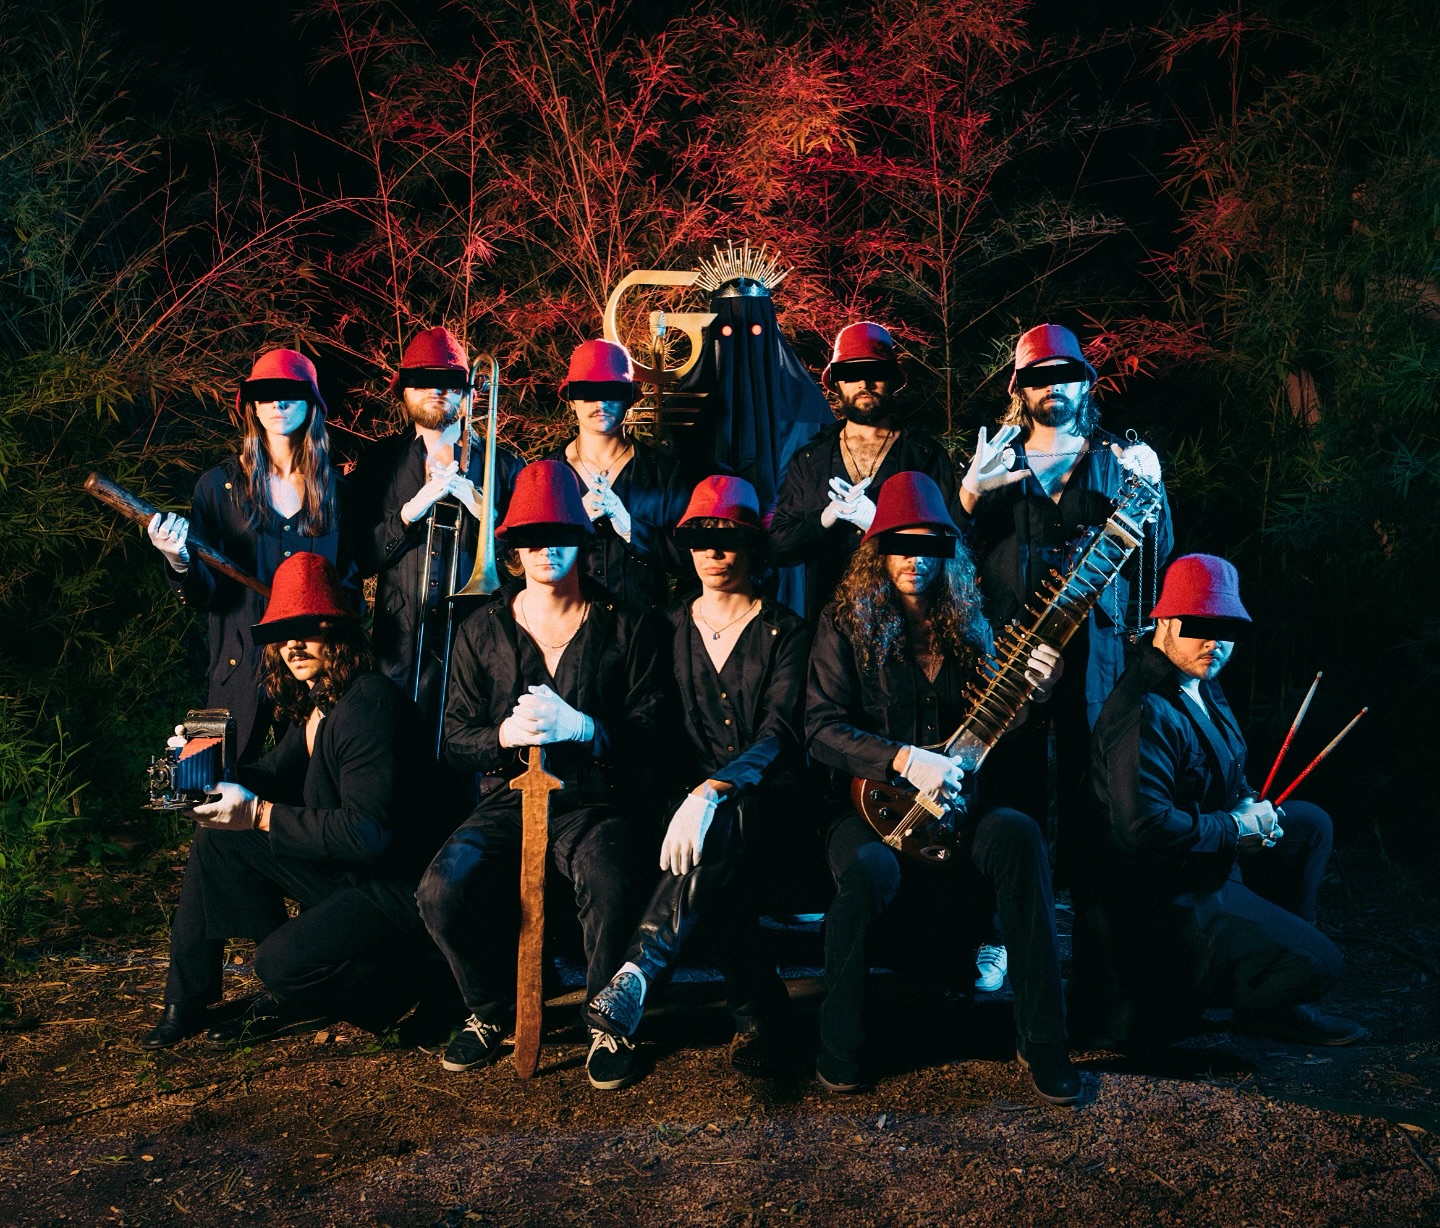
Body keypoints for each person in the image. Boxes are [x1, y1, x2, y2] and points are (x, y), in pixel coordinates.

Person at [805, 471, 1080, 1104]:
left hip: (961, 808)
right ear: (877, 550)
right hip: (868, 807)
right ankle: (839, 1045)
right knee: (868, 873)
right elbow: (819, 728)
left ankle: (1044, 1040)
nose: (913, 559)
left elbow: (999, 727)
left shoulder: (974, 621)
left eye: (929, 545)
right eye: (899, 544)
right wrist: (900, 758)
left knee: (1019, 838)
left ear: (948, 552)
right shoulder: (842, 623)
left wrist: (1037, 694)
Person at [417, 460, 670, 1090]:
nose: (544, 550)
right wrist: (502, 736)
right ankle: (489, 1010)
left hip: (594, 800)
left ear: (581, 541)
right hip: (511, 798)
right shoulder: (482, 631)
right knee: (440, 890)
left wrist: (586, 729)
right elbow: (454, 738)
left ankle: (606, 1021)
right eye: (530, 539)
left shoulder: (626, 626)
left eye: (558, 535)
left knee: (609, 880)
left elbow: (653, 736)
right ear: (513, 549)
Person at [140, 553, 450, 1050]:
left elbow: (364, 834)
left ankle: (398, 991)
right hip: (350, 875)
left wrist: (259, 815)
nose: (293, 644)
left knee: (279, 961)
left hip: (393, 894)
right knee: (219, 839)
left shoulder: (366, 706)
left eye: (307, 628)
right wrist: (201, 765)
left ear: (339, 632)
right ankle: (188, 998)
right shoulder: (321, 702)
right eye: (282, 632)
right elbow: (272, 776)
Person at [1082, 554, 1365, 1049]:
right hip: (1169, 894)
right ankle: (1200, 990)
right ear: (1165, 623)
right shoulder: (1144, 709)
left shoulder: (1201, 680)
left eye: (1225, 628)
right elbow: (1142, 827)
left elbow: (1225, 772)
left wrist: (1254, 811)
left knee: (1307, 825)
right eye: (1198, 627)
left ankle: (1275, 1007)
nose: (1213, 641)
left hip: (1206, 862)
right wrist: (1235, 830)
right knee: (1323, 965)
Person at [583, 476, 808, 1081]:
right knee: (713, 870)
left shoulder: (785, 630)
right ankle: (761, 1016)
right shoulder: (663, 625)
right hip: (677, 806)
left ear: (752, 547)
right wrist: (682, 795)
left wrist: (714, 792)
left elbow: (779, 735)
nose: (713, 553)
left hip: (766, 803)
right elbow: (650, 724)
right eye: (701, 540)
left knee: (718, 838)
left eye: (728, 539)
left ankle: (636, 973)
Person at [959, 323, 1174, 894]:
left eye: (1065, 375)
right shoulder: (995, 460)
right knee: (1008, 781)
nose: (1053, 387)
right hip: (1012, 646)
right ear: (1020, 389)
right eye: (1039, 378)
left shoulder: (1116, 458)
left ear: (1086, 383)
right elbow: (952, 558)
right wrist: (969, 497)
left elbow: (1158, 552)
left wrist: (1155, 488)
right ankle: (1002, 933)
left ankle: (1093, 927)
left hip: (1098, 647)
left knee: (1096, 779)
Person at [146, 348, 355, 765]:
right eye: (266, 395)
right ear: (252, 408)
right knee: (210, 788)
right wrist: (178, 561)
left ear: (311, 404)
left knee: (310, 797)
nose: (278, 404)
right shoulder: (216, 488)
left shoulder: (338, 491)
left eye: (289, 394)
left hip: (314, 674)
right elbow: (206, 597)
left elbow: (347, 585)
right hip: (235, 668)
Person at [347, 326, 524, 742]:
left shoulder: (504, 467)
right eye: (422, 382)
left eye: (448, 383)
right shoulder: (379, 463)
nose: (436, 392)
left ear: (466, 394)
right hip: (398, 648)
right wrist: (411, 510)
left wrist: (485, 511)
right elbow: (360, 555)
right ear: (404, 392)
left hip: (480, 643)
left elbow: (526, 565)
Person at [772, 322, 962, 623]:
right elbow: (780, 548)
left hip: (907, 622)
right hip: (828, 623)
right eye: (851, 374)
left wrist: (877, 525)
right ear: (836, 383)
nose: (864, 383)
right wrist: (825, 518)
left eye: (876, 373)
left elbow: (951, 549)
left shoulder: (924, 456)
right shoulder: (809, 460)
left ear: (892, 382)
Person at [543, 339, 691, 610]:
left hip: (644, 631)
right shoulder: (546, 474)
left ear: (629, 399)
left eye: (612, 391)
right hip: (567, 631)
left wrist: (629, 527)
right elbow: (521, 560)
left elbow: (692, 558)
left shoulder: (663, 472)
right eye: (588, 392)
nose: (600, 403)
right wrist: (573, 522)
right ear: (571, 400)